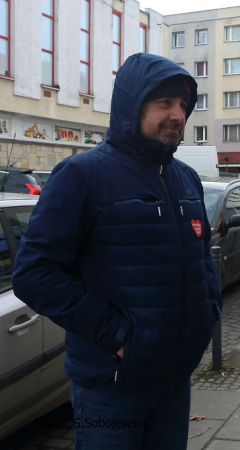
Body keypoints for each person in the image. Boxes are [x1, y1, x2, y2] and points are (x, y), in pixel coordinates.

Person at [12, 53, 221, 449]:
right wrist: (119, 336)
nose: (178, 115)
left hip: (174, 382)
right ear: (132, 106)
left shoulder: (186, 179)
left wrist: (208, 311)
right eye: (164, 103)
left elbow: (202, 256)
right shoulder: (82, 175)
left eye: (183, 105)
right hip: (111, 389)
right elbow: (34, 273)